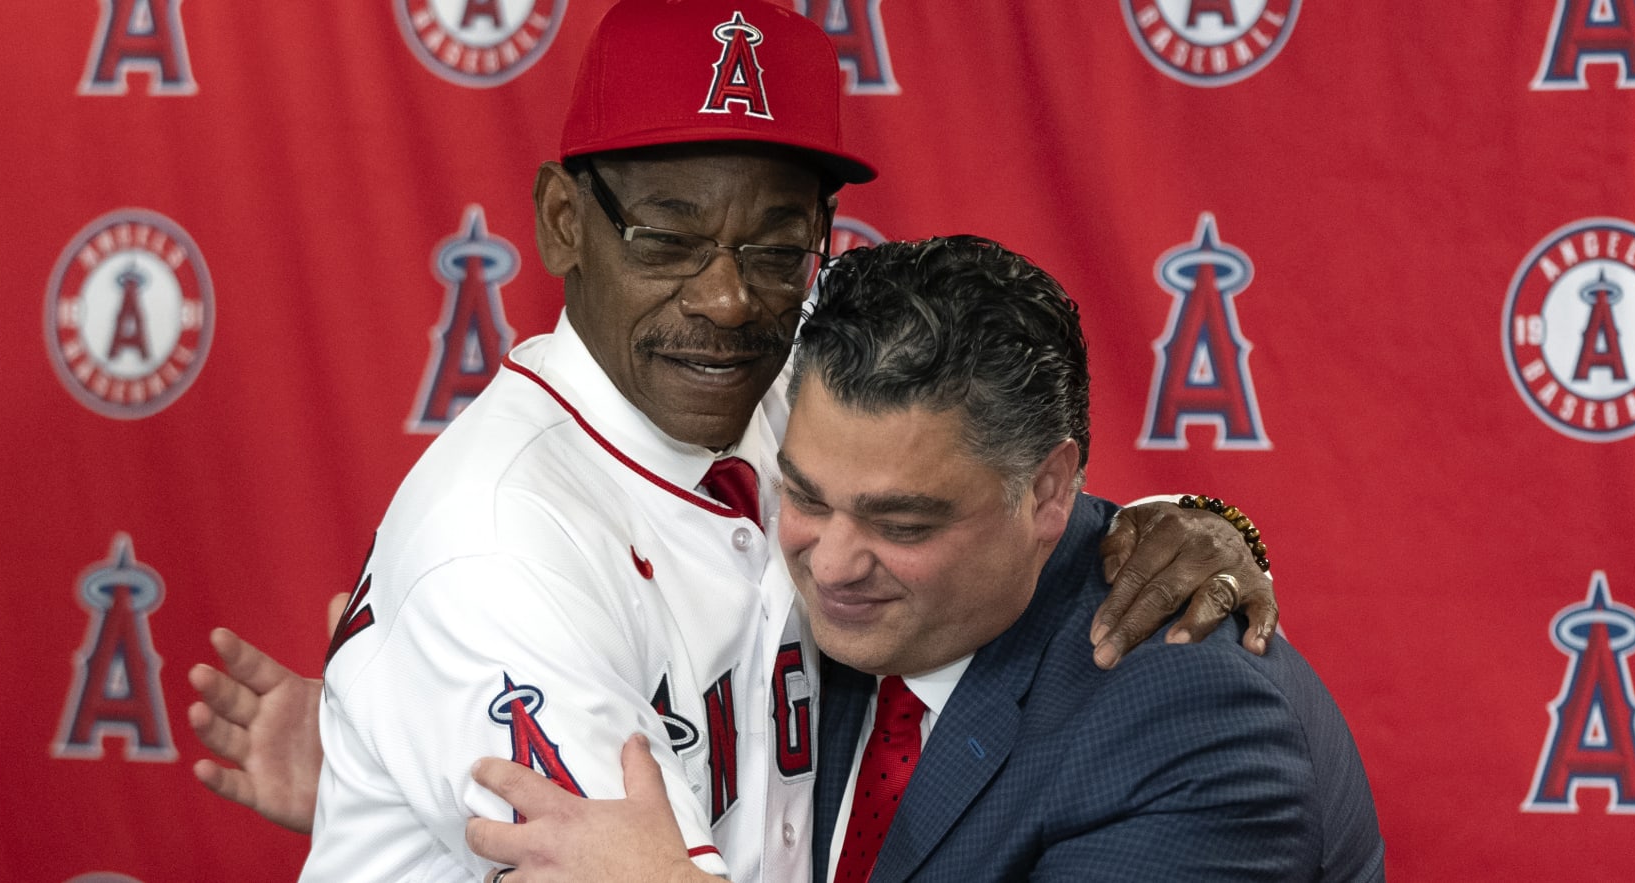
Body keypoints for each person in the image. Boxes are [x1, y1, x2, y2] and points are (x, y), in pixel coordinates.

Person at [188, 1, 1277, 878]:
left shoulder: (768, 402)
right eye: (668, 236)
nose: (724, 297)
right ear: (564, 221)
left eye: (775, 247)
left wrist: (1174, 528)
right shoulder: (501, 548)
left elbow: (964, 487)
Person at [468, 236, 1383, 882]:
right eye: (808, 495)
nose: (828, 564)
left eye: (901, 523)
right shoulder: (787, 609)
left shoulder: (1195, 727)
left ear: (1050, 489)